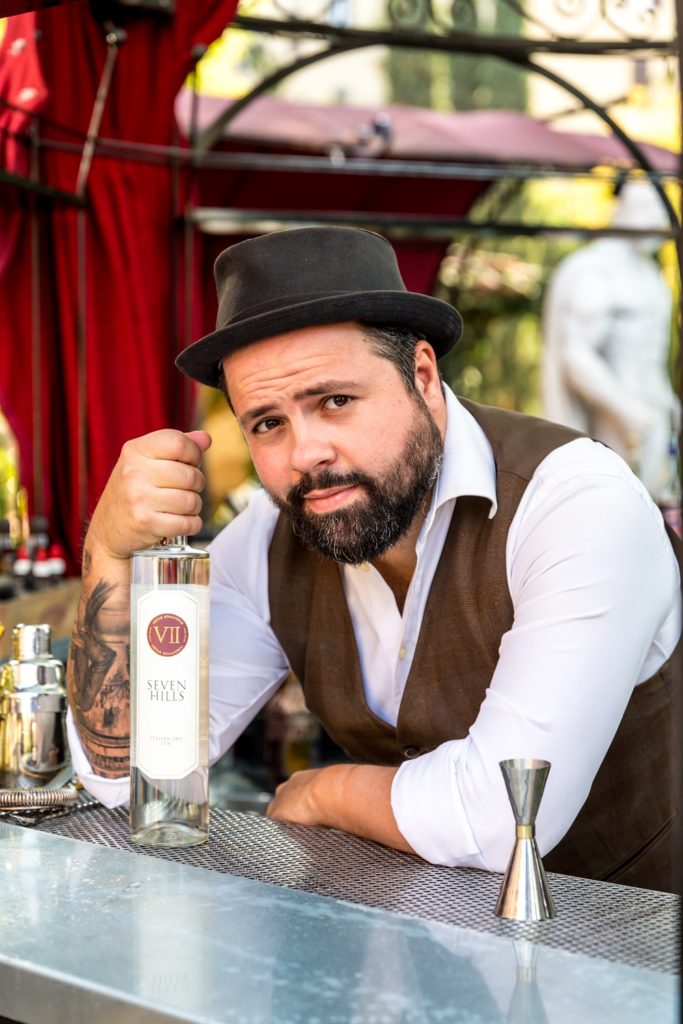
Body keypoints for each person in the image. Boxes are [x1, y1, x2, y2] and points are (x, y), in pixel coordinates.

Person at [67, 226, 681, 892]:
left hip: (646, 952)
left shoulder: (574, 502)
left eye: (335, 401)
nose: (306, 453)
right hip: (430, 950)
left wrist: (323, 793)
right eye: (267, 423)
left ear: (422, 375)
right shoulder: (267, 537)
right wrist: (108, 555)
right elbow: (133, 774)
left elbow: (501, 816)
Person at [542, 180, 680, 499]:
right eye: (649, 212)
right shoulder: (595, 271)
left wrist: (666, 400)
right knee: (618, 499)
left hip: (652, 414)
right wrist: (626, 410)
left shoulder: (651, 275)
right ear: (626, 212)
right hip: (616, 418)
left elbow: (650, 353)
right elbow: (576, 357)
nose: (657, 223)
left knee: (653, 504)